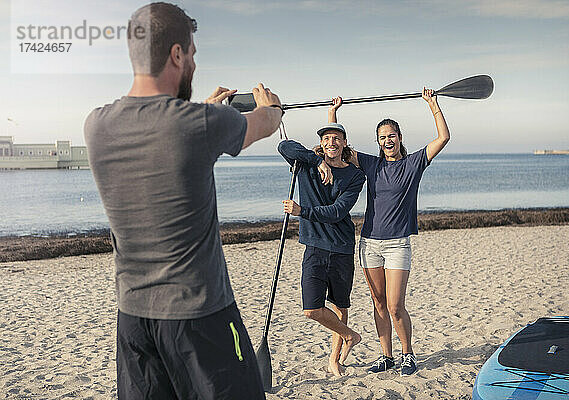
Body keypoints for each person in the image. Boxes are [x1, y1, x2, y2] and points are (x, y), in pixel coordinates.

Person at [84, 3, 283, 399]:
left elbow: (165, 130)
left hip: (135, 319)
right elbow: (266, 121)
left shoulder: (97, 124)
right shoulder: (202, 124)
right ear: (177, 53)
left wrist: (204, 111)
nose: (193, 61)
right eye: (191, 53)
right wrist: (269, 104)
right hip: (201, 317)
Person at [331, 89, 449, 375]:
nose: (388, 140)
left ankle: (407, 354)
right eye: (383, 137)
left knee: (396, 306)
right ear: (379, 142)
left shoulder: (413, 164)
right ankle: (386, 356)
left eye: (391, 135)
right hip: (369, 243)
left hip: (397, 245)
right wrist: (334, 114)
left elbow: (443, 138)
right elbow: (337, 147)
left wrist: (432, 103)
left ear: (399, 137)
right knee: (379, 303)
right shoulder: (372, 164)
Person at [277, 101, 365, 376]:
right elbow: (284, 146)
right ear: (321, 144)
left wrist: (302, 211)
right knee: (311, 309)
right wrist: (317, 162)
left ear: (344, 143)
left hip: (340, 247)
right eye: (326, 138)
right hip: (314, 246)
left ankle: (334, 359)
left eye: (336, 138)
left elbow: (338, 211)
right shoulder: (305, 165)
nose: (331, 142)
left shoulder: (355, 175)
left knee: (341, 305)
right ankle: (351, 336)